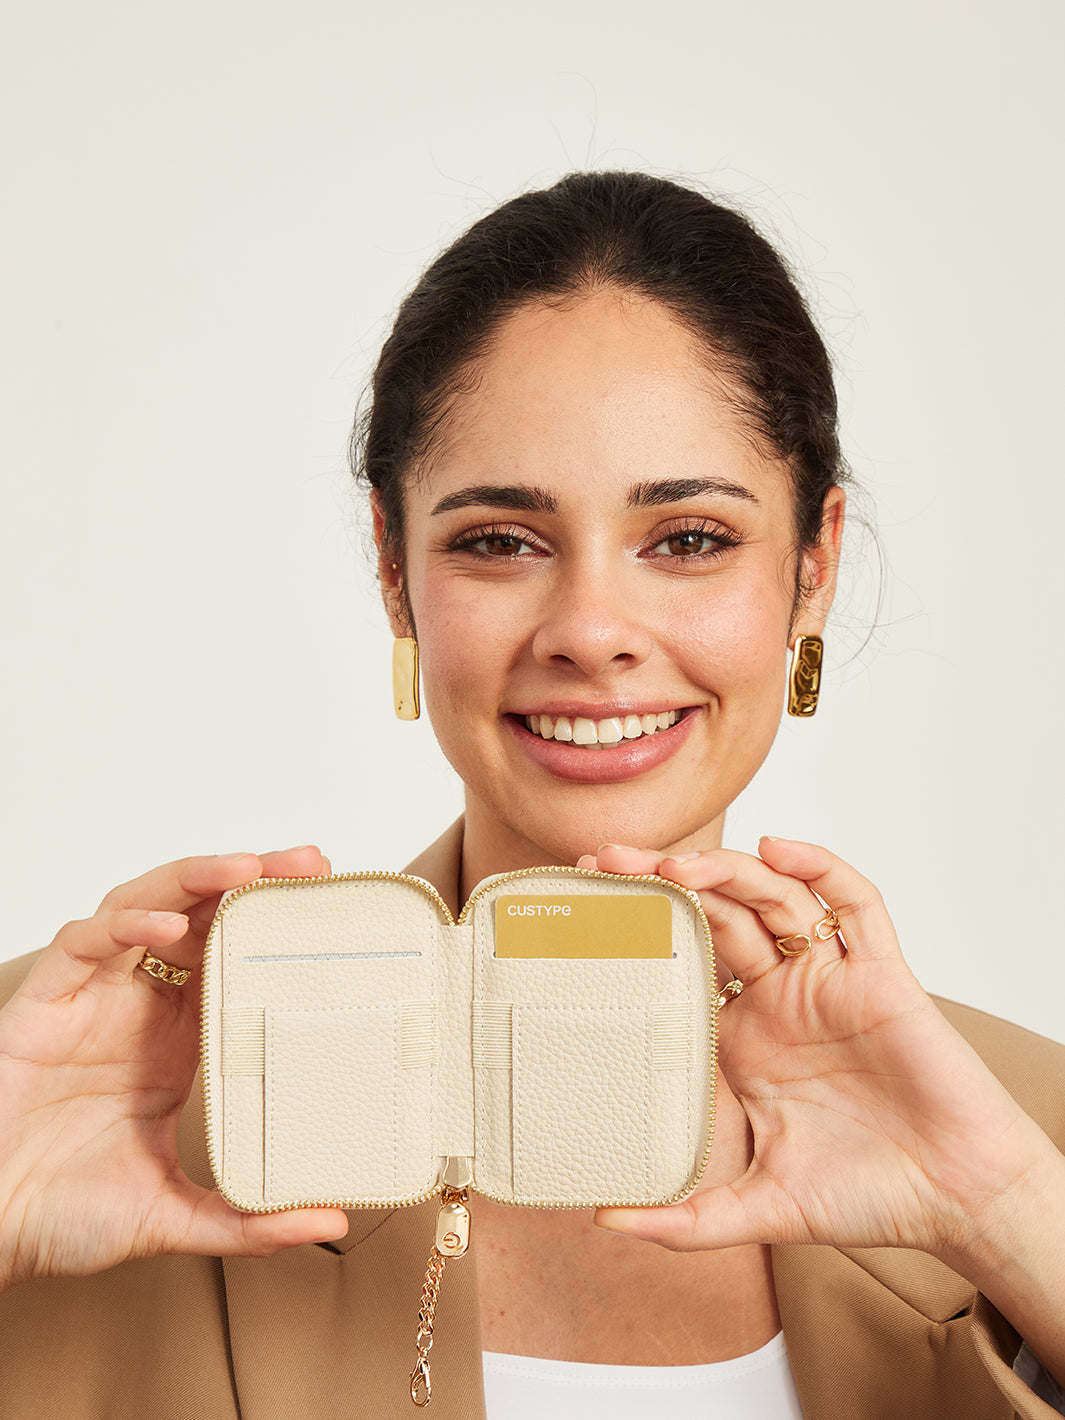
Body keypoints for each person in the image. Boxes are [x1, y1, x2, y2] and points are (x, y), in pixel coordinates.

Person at [1, 171, 1063, 1420]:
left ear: (813, 565)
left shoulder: (1025, 1134)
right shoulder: (65, 1087)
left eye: (689, 539)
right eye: (500, 540)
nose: (591, 630)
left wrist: (1012, 1221)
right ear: (394, 572)